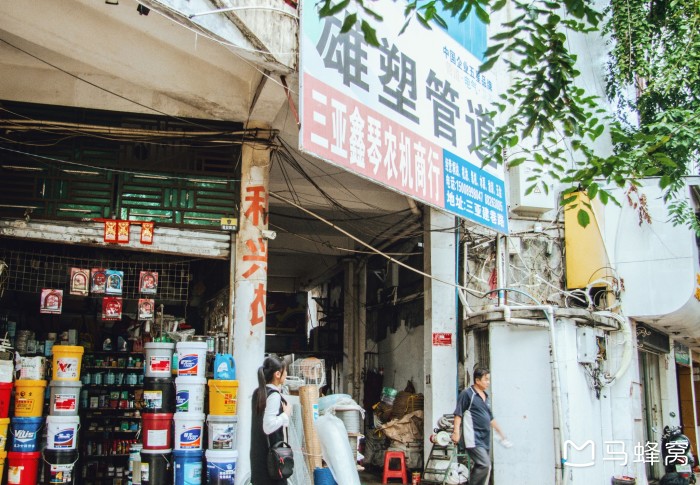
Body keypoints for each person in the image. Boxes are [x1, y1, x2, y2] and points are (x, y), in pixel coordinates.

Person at [451, 367, 512, 485]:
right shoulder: (467, 394)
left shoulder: (485, 396)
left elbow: (491, 418)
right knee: (484, 464)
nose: (488, 382)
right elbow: (458, 414)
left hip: (484, 439)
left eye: (489, 379)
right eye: (486, 379)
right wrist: (456, 432)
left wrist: (501, 434)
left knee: (486, 467)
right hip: (472, 438)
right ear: (477, 380)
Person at [250, 355, 292, 484]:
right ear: (277, 374)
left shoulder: (258, 392)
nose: (286, 374)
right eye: (285, 371)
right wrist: (285, 414)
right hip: (273, 458)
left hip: (259, 455)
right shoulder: (273, 395)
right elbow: (268, 426)